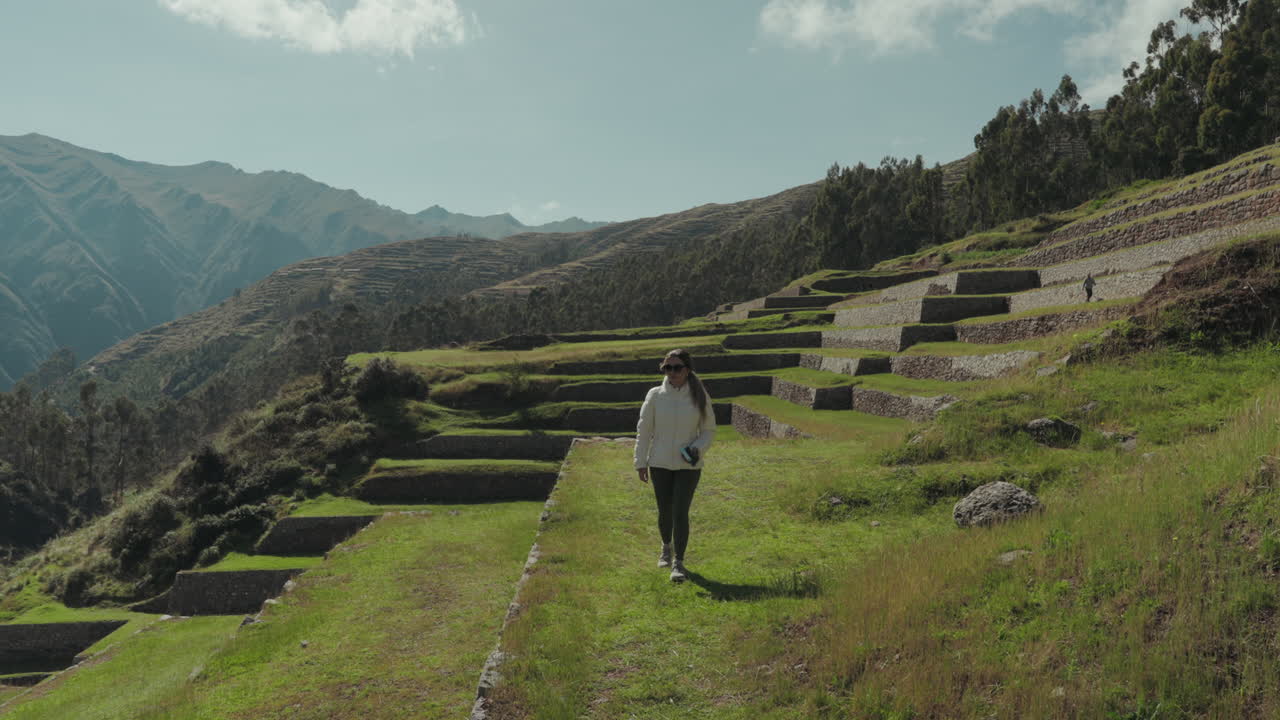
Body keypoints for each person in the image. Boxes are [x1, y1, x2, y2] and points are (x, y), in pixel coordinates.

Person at [634, 349, 716, 582]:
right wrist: (640, 462)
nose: (672, 372)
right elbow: (644, 430)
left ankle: (678, 562)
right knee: (665, 511)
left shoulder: (699, 395)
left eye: (677, 367)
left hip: (688, 465)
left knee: (680, 512)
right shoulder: (655, 395)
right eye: (667, 368)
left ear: (687, 370)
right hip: (659, 463)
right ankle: (666, 546)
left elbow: (709, 429)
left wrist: (696, 448)